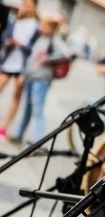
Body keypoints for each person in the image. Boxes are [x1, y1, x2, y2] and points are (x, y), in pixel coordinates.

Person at [12, 15, 71, 143]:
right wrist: (24, 74)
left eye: (45, 25)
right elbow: (31, 59)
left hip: (41, 80)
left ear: (51, 28)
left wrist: (47, 60)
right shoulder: (41, 39)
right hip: (32, 78)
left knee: (37, 110)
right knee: (27, 109)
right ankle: (19, 135)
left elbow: (65, 53)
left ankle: (39, 141)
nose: (42, 27)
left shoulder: (54, 40)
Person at [0, 0, 40, 141]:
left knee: (16, 97)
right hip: (8, 62)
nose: (27, 8)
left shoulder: (37, 27)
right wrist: (9, 42)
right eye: (25, 5)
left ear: (35, 7)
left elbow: (35, 50)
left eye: (30, 5)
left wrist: (22, 45)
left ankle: (4, 127)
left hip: (23, 67)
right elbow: (4, 37)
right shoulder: (15, 20)